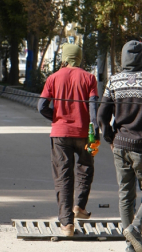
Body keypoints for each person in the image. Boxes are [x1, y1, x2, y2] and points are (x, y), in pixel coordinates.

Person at [38, 43, 100, 237]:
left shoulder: (53, 78)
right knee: (85, 168)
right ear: (79, 57)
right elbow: (93, 107)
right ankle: (79, 206)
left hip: (60, 134)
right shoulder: (89, 78)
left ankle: (66, 225)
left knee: (63, 176)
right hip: (83, 133)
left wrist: (56, 118)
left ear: (64, 57)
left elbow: (41, 106)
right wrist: (95, 130)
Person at [98, 40, 142, 252]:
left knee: (125, 194)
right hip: (141, 147)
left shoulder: (114, 81)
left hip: (120, 145)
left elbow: (101, 115)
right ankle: (136, 228)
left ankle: (129, 245)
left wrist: (110, 138)